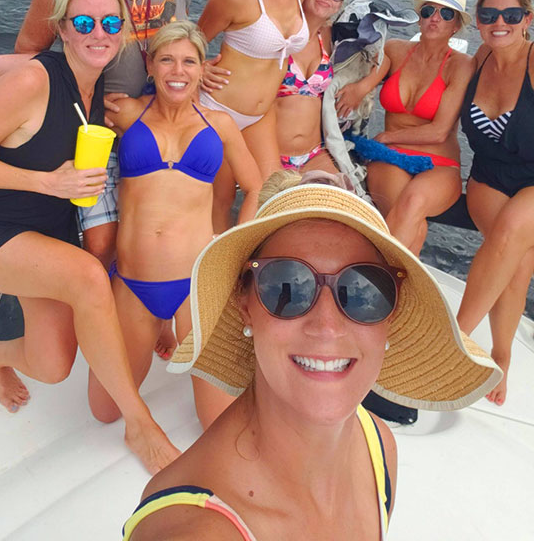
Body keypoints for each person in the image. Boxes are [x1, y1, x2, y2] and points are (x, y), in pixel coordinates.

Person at [123, 175, 501, 540]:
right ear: (245, 305)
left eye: (363, 289)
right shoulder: (192, 531)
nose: (326, 326)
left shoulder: (380, 449)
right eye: (286, 285)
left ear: (392, 314)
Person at [0, 0, 179, 474]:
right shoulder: (35, 80)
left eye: (110, 23)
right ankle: (140, 424)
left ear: (122, 34)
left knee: (53, 366)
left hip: (43, 234)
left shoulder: (94, 88)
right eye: (84, 23)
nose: (99, 33)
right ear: (63, 29)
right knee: (89, 277)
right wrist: (45, 181)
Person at [5, 0, 194, 269]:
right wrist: (72, 109)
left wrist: (200, 63)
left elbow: (177, 39)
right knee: (102, 244)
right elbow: (27, 51)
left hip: (158, 119)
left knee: (165, 231)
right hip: (91, 130)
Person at [88, 21, 262, 429]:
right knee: (104, 412)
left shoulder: (219, 126)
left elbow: (255, 187)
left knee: (216, 422)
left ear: (204, 69)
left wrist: (236, 247)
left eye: (188, 61)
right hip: (132, 283)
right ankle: (158, 330)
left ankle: (176, 332)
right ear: (150, 66)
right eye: (166, 59)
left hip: (195, 286)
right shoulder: (126, 112)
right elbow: (72, 117)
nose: (177, 71)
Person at [198, 0, 309, 230]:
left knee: (273, 196)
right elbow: (192, 40)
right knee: (221, 200)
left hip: (261, 116)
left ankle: (246, 269)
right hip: (219, 110)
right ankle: (212, 274)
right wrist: (198, 66)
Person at [457, 0, 534, 406]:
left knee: (509, 238)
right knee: (518, 259)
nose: (498, 23)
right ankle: (500, 354)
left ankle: (454, 340)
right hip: (488, 176)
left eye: (510, 15)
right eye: (487, 16)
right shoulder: (483, 56)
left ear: (528, 19)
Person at [366, 0, 474, 255]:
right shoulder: (394, 50)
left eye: (446, 14)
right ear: (420, 18)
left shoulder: (461, 65)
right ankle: (395, 292)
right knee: (415, 226)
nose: (435, 18)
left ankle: (372, 283)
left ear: (456, 25)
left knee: (413, 203)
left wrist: (387, 136)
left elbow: (439, 131)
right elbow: (361, 81)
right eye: (428, 11)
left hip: (439, 163)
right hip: (391, 158)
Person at [275, 0, 345, 173]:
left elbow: (381, 55)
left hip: (314, 154)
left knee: (342, 203)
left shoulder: (330, 38)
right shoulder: (279, 32)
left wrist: (361, 88)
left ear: (340, 4)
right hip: (270, 152)